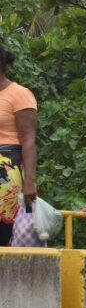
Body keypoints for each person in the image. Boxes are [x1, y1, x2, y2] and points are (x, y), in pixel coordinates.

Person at [0, 44, 37, 247]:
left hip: (7, 168)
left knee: (5, 232)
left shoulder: (19, 94)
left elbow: (29, 139)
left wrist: (30, 181)